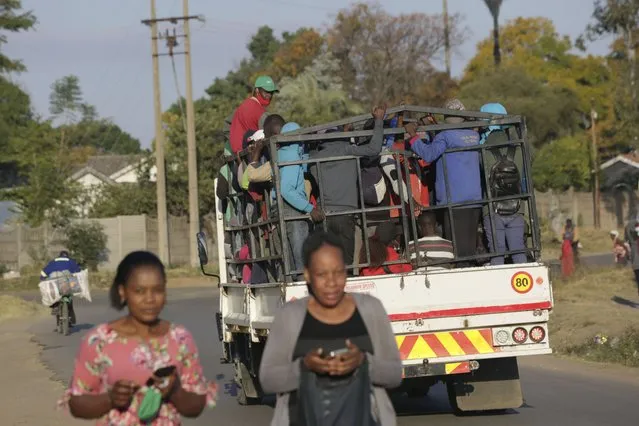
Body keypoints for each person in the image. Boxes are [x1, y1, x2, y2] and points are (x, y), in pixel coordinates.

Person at [259, 231, 402, 426]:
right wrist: (304, 367)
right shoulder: (289, 316)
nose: (332, 282)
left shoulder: (371, 309)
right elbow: (268, 379)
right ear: (308, 275)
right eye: (322, 274)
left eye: (338, 272)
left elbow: (394, 374)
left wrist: (363, 362)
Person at [63, 251, 217, 424]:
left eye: (157, 290)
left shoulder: (180, 338)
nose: (149, 299)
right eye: (139, 291)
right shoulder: (99, 341)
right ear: (123, 292)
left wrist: (175, 391)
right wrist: (110, 399)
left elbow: (196, 406)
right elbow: (77, 403)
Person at [309, 105, 386, 269]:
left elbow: (314, 176)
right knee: (347, 265)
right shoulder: (347, 149)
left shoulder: (314, 157)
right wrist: (379, 121)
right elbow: (374, 149)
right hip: (346, 214)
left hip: (324, 215)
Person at [407, 99, 482, 265]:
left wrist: (413, 137)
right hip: (475, 199)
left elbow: (429, 154)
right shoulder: (473, 136)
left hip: (454, 201)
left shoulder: (445, 136)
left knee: (456, 250)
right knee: (469, 246)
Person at [479, 103, 528, 265]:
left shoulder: (482, 151)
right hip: (517, 207)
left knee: (497, 253)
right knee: (518, 251)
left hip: (492, 208)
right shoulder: (519, 149)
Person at [274, 122, 325, 279]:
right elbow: (287, 190)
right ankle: (303, 294)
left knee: (291, 260)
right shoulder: (291, 157)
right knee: (301, 260)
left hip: (286, 208)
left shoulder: (283, 154)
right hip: (293, 209)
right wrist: (309, 208)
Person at [229, 75, 278, 154]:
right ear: (257, 90)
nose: (270, 95)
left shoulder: (244, 105)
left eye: (272, 92)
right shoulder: (260, 111)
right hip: (248, 155)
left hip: (237, 153)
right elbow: (269, 136)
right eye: (266, 91)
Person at [41, 250, 81, 326]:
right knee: (70, 299)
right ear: (67, 256)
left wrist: (42, 278)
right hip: (68, 283)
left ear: (60, 256)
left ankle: (55, 307)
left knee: (53, 296)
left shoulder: (53, 262)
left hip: (55, 283)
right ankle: (70, 318)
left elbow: (44, 272)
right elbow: (78, 271)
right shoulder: (71, 261)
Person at [624, 215, 639, 295]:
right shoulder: (631, 225)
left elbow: (626, 242)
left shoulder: (629, 225)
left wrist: (627, 253)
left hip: (634, 256)